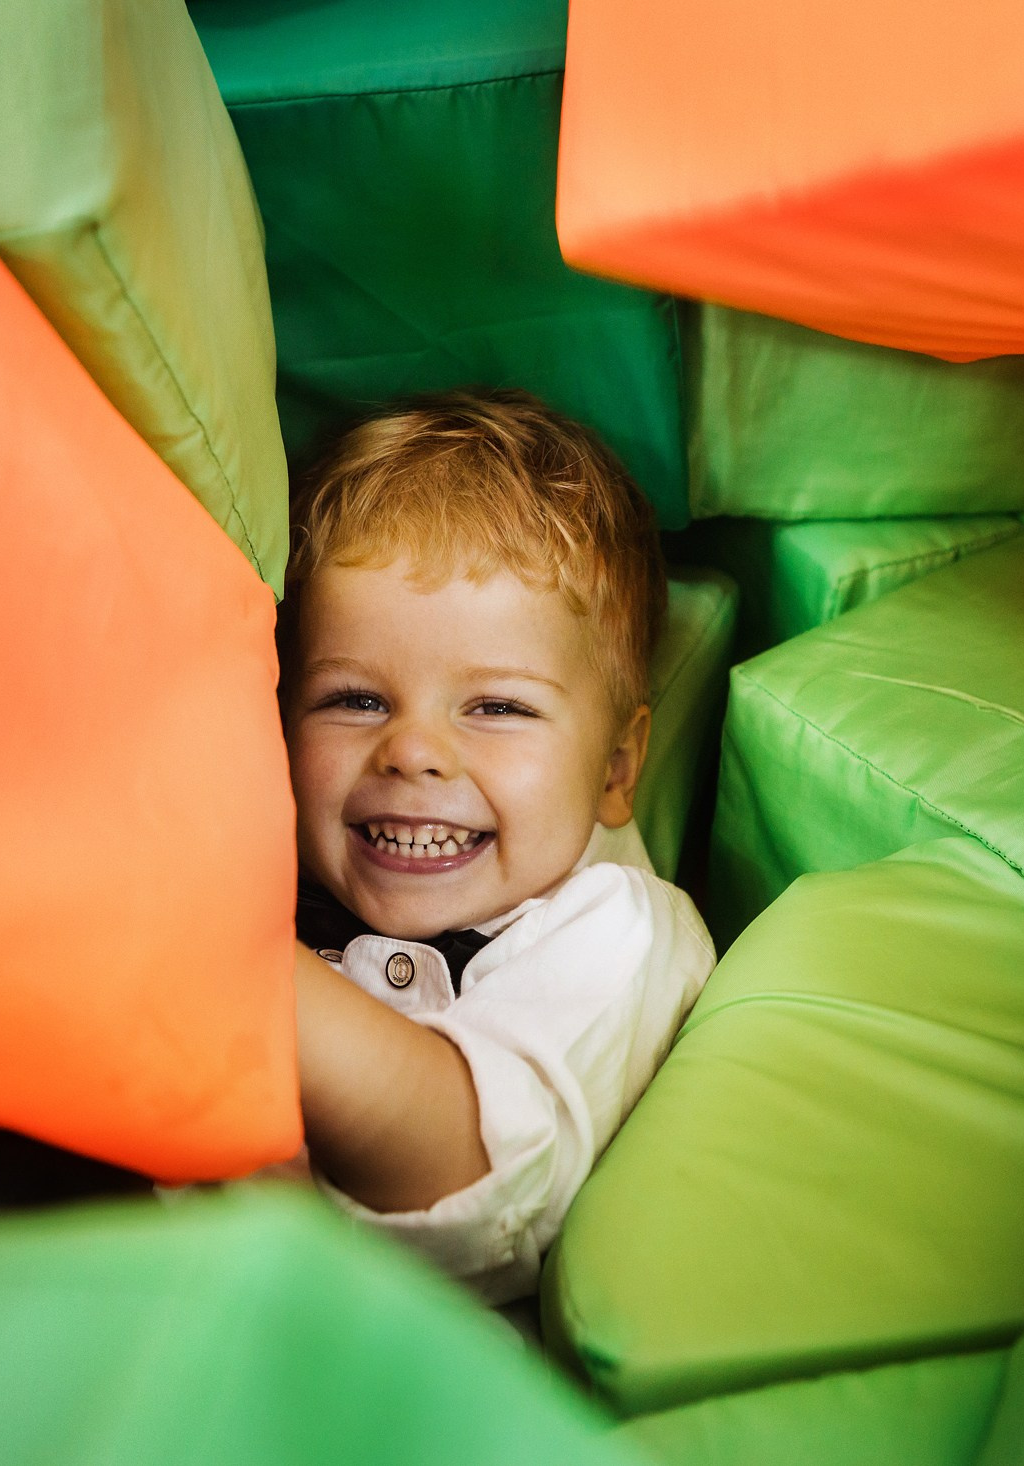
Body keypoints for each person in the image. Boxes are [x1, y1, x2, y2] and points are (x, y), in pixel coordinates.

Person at [283, 389, 714, 1303]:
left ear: (615, 768)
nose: (411, 750)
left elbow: (462, 1178)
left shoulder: (617, 928)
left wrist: (199, 953)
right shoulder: (268, 853)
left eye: (498, 707)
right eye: (355, 698)